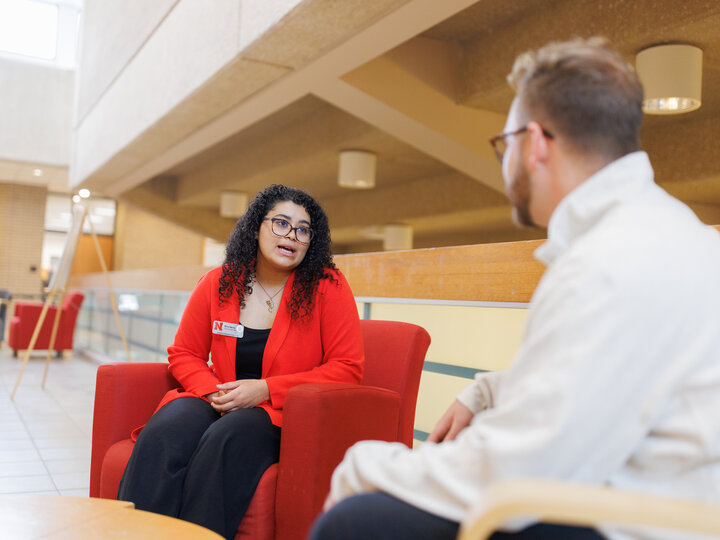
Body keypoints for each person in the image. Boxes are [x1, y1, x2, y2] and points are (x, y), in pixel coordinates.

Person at [310, 37, 720, 540]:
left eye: (504, 144)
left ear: (536, 142)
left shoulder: (609, 262)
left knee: (357, 523)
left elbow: (520, 470)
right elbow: (591, 378)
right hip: (652, 499)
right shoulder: (665, 232)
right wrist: (483, 392)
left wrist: (364, 466)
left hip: (641, 523)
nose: (505, 162)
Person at [117, 184, 364, 540]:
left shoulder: (327, 287)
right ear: (255, 227)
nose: (292, 235)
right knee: (164, 431)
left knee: (227, 438)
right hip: (216, 398)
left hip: (281, 413)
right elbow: (184, 353)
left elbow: (347, 368)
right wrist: (215, 393)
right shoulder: (220, 282)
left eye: (303, 229)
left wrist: (264, 389)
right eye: (281, 223)